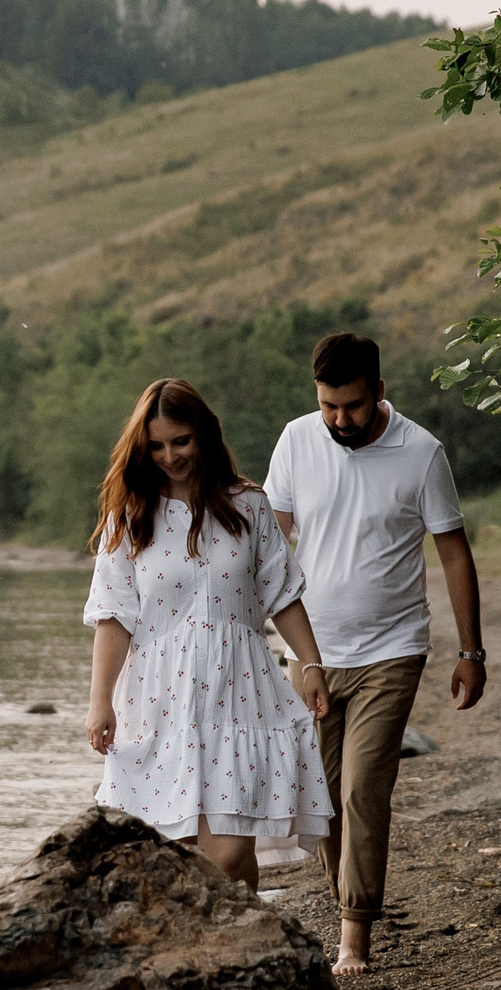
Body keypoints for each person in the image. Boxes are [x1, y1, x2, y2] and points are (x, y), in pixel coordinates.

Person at [265, 331, 486, 977]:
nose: (339, 419)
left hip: (392, 650)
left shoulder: (421, 453)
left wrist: (470, 649)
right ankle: (348, 898)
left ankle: (353, 934)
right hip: (311, 652)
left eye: (353, 406)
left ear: (379, 391)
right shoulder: (296, 441)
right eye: (328, 406)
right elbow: (269, 546)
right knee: (322, 795)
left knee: (363, 788)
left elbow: (454, 553)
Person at [83, 378, 334, 891]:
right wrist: (99, 702)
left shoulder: (249, 506)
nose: (169, 456)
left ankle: (244, 930)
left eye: (181, 441)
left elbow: (282, 593)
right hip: (160, 698)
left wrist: (310, 664)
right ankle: (229, 937)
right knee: (176, 854)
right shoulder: (129, 515)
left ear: (204, 434)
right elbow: (113, 617)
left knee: (229, 853)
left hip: (239, 693)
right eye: (156, 445)